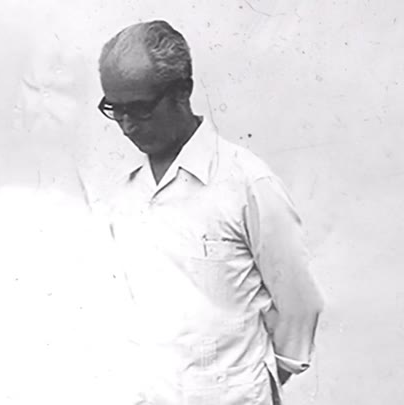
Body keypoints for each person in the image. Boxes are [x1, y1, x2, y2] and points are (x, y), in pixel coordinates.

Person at [97, 20, 324, 405]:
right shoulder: (123, 193)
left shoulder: (246, 182)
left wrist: (259, 381)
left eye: (140, 109)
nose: (126, 125)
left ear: (182, 91)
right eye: (114, 110)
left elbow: (300, 301)